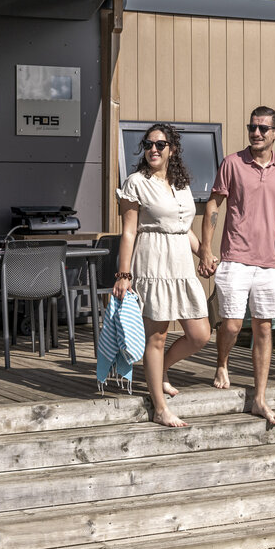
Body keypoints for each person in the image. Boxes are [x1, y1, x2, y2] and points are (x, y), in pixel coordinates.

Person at [198, 105, 275, 425]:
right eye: (252, 127)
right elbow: (214, 205)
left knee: (263, 327)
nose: (255, 133)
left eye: (262, 129)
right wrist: (205, 248)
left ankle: (259, 397)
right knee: (231, 325)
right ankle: (222, 362)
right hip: (235, 256)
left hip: (272, 262)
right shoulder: (232, 163)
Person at [112, 123, 212, 427]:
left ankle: (161, 370)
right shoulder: (135, 183)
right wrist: (123, 274)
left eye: (160, 144)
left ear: (173, 149)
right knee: (156, 336)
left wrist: (205, 253)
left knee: (200, 334)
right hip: (153, 263)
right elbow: (129, 232)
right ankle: (159, 406)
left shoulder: (181, 184)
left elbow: (184, 228)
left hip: (180, 264)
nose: (153, 149)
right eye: (148, 144)